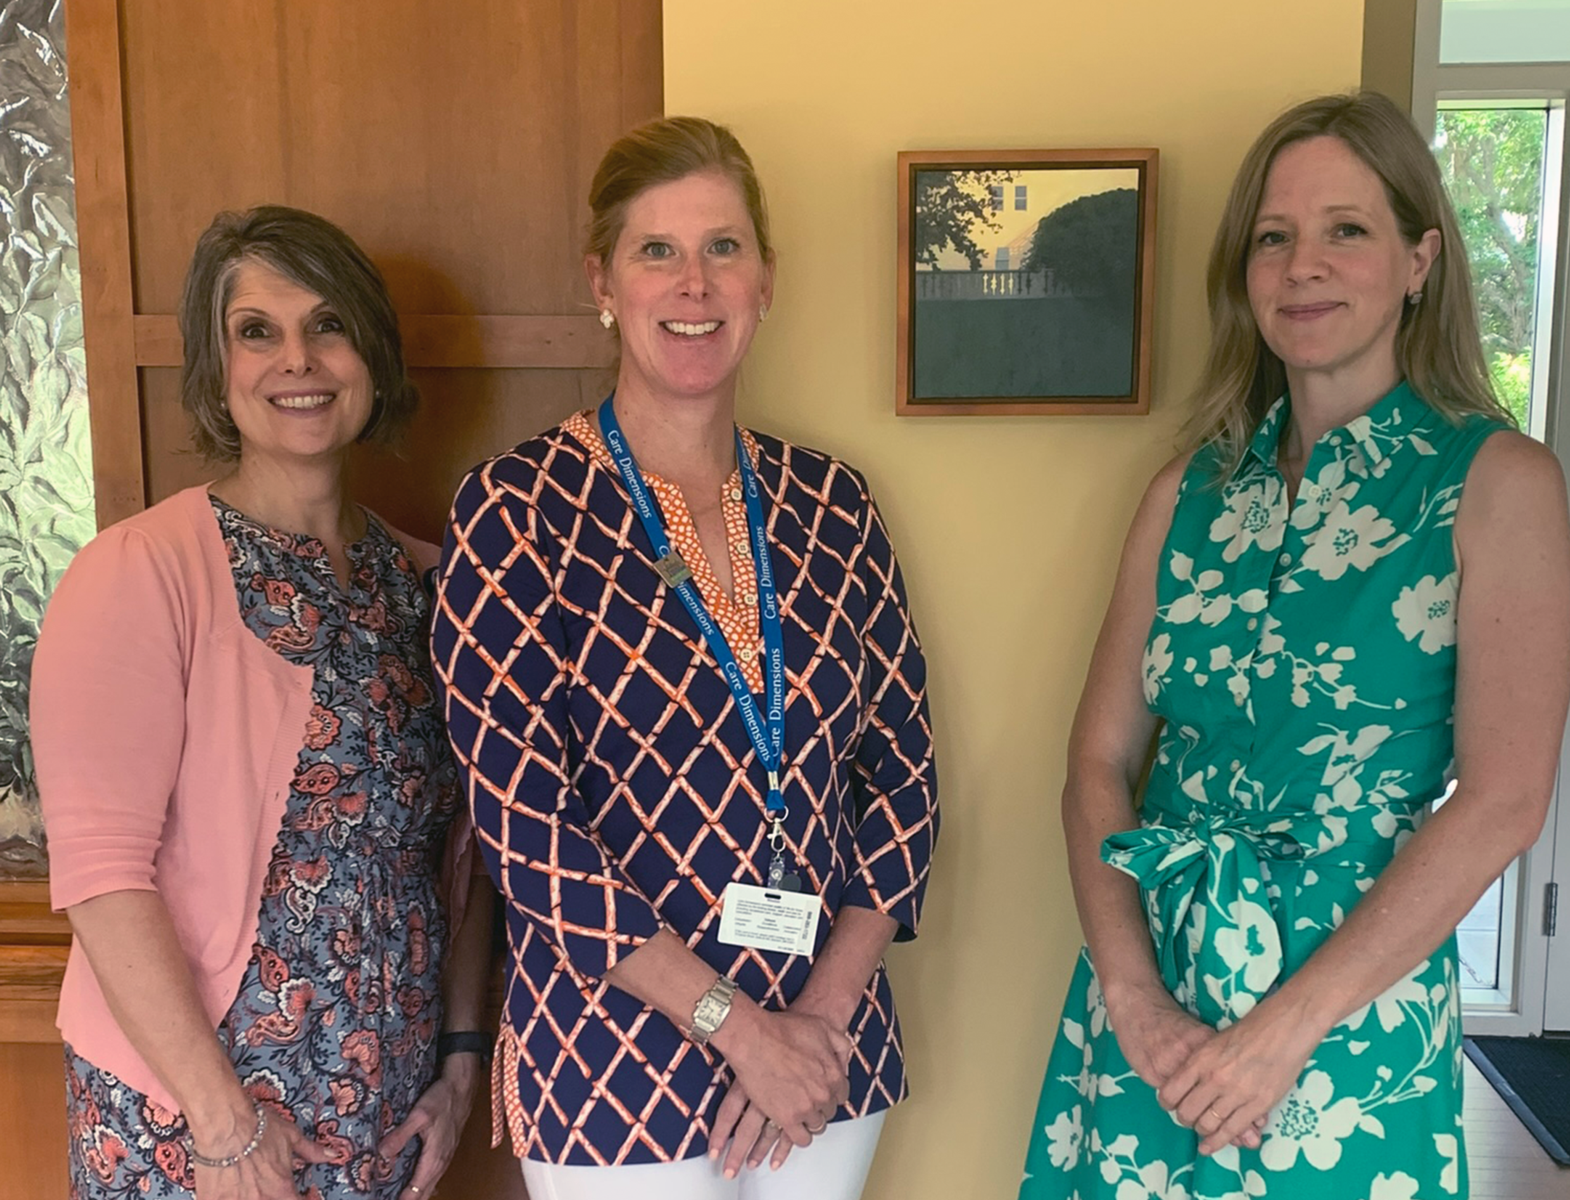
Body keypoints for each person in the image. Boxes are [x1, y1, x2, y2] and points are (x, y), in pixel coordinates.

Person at [1018, 91, 1570, 1200]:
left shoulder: (1493, 484)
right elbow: (1096, 762)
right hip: (1152, 999)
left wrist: (1283, 1030)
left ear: (1420, 259)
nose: (1301, 265)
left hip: (1342, 1017)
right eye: (1273, 238)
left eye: (1345, 230)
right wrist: (1129, 993)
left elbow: (1505, 798)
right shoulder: (1188, 490)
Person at [431, 115, 938, 1200]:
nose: (693, 284)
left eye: (723, 248)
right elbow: (524, 825)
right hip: (613, 1047)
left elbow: (902, 778)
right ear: (602, 282)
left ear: (766, 281)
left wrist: (812, 1020)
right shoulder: (515, 508)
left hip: (823, 1041)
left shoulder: (832, 506)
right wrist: (734, 1029)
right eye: (656, 251)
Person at [33, 205, 494, 1200]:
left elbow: (464, 856)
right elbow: (103, 879)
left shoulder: (429, 584)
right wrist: (225, 1126)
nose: (299, 359)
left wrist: (460, 1062)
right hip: (191, 1129)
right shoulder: (140, 574)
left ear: (371, 354)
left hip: (382, 1119)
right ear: (216, 365)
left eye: (328, 325)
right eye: (257, 330)